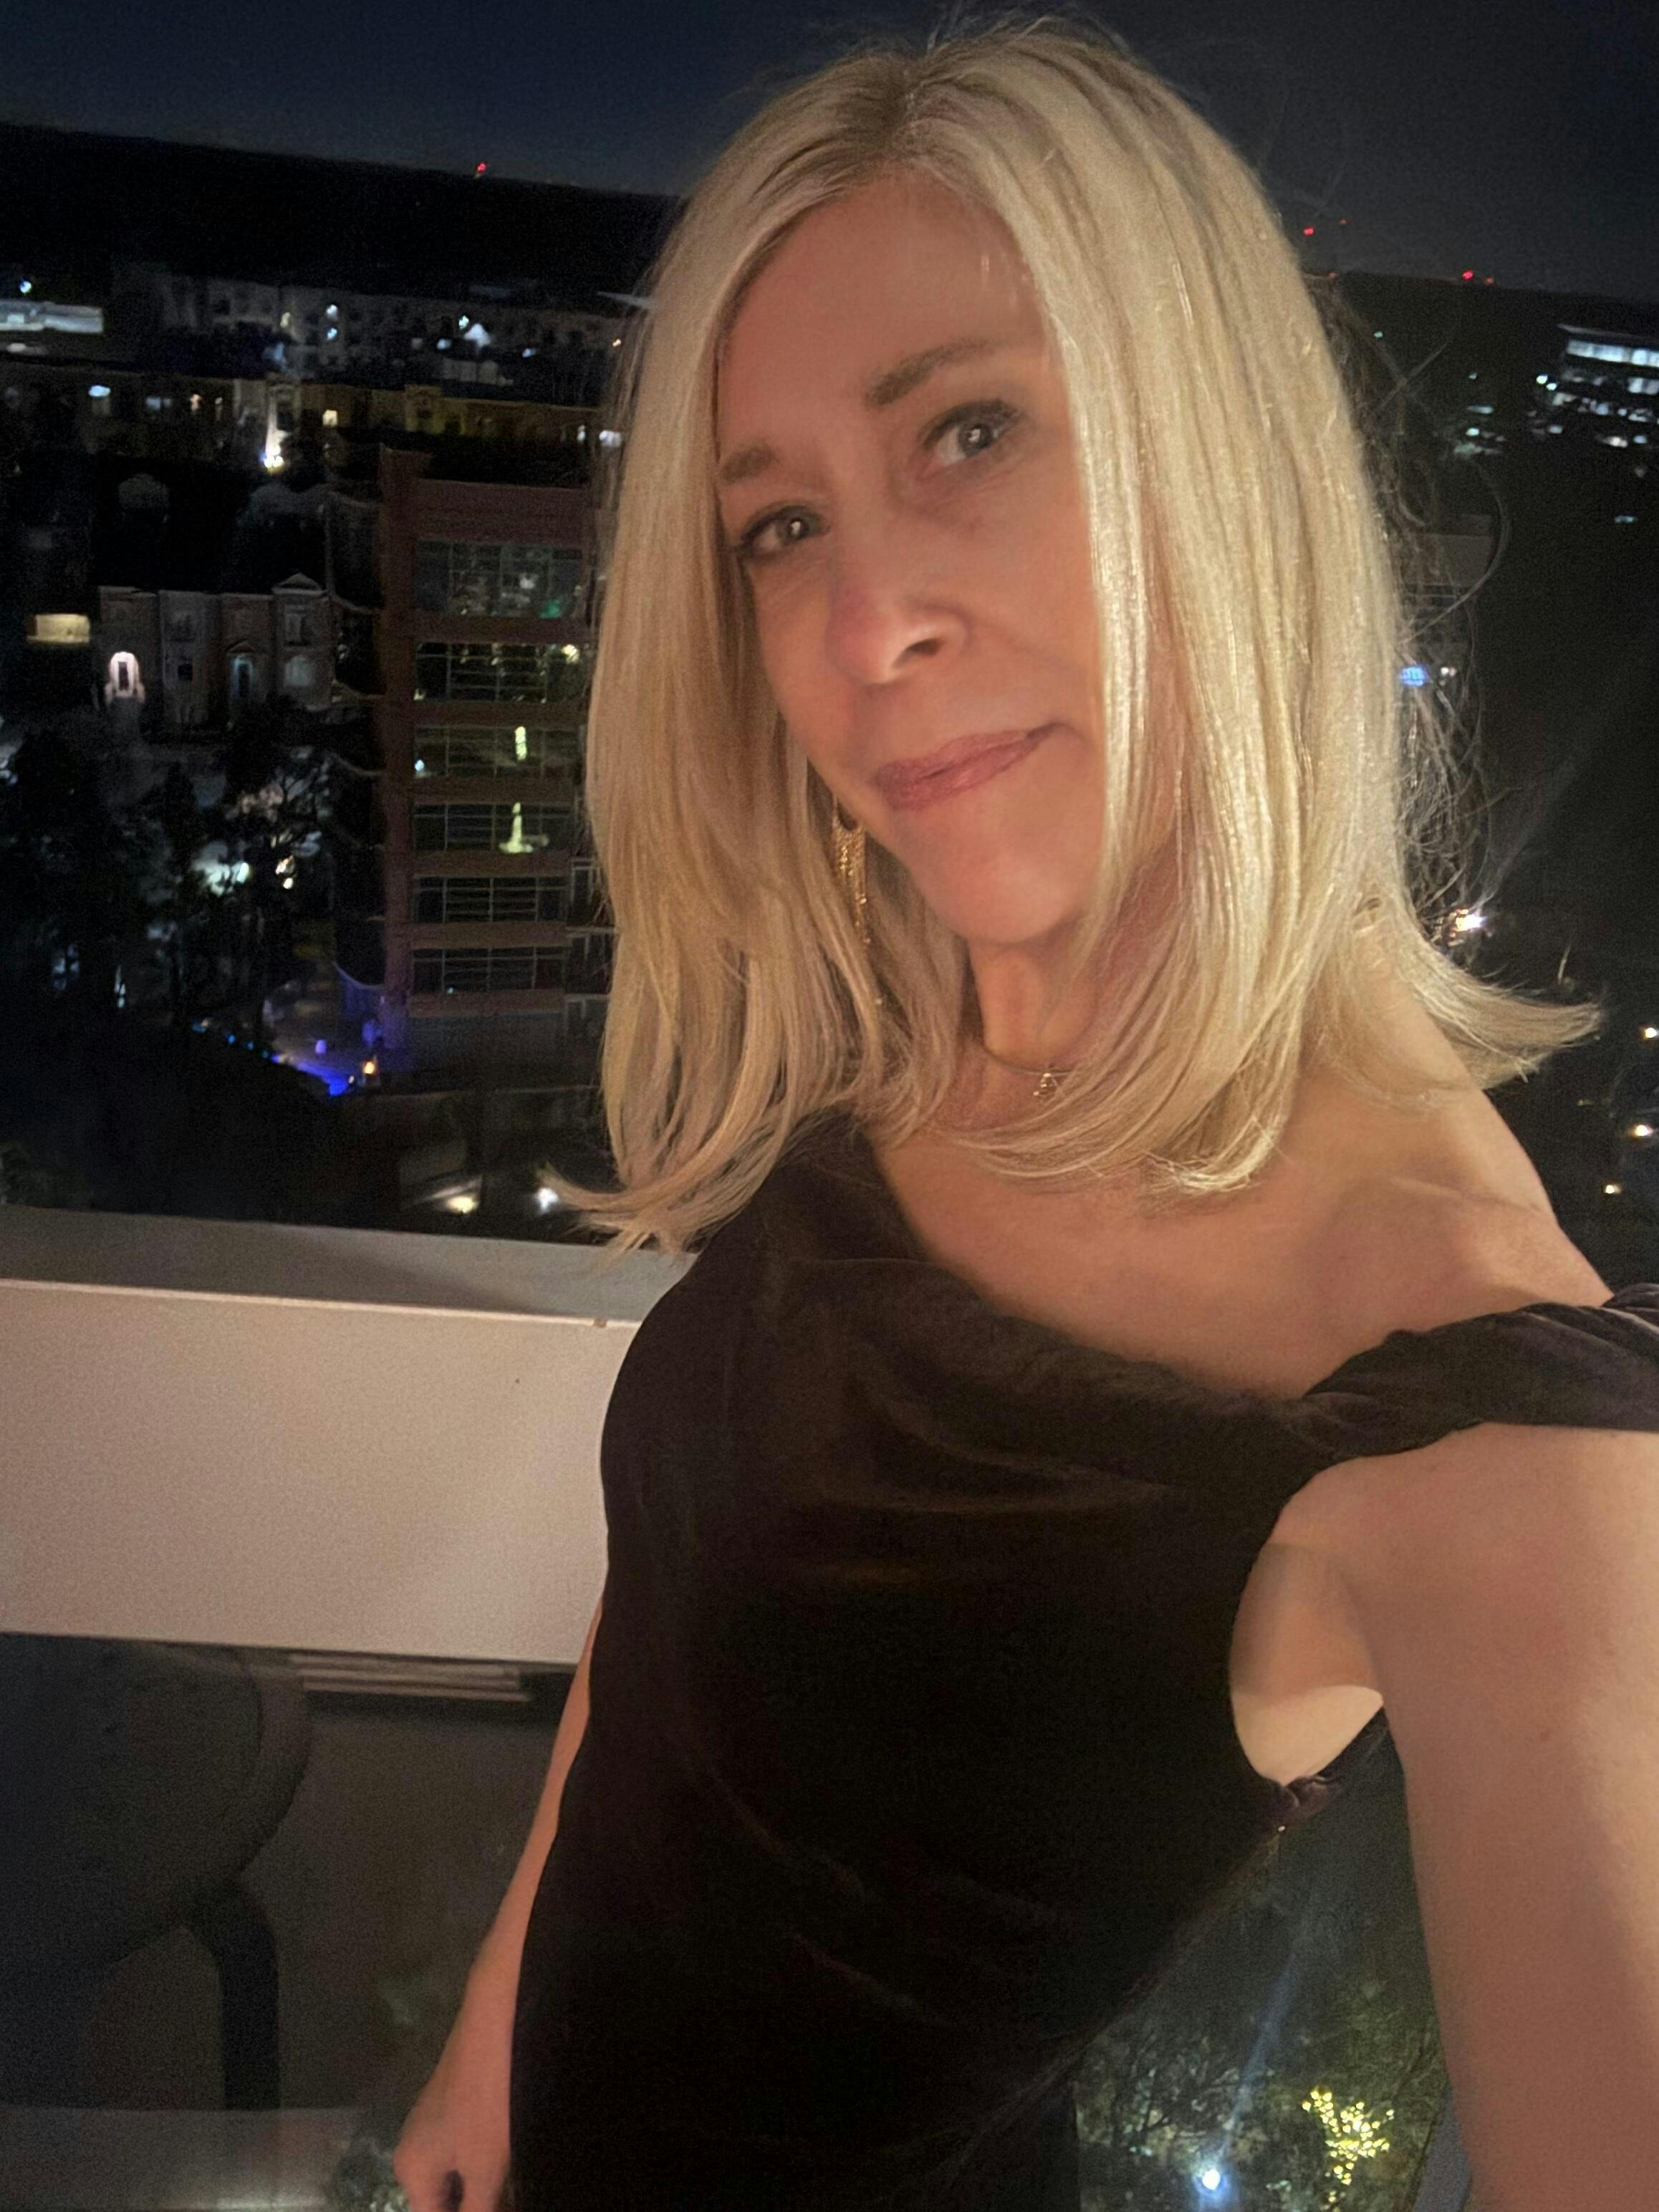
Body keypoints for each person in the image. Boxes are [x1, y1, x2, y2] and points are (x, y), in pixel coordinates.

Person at [393, 14, 1659, 2208]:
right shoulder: (894, 1047)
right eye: (779, 524)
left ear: (1214, 471)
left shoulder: (1471, 1412)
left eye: (967, 431)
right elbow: (675, 1632)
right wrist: (485, 2066)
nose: (863, 622)